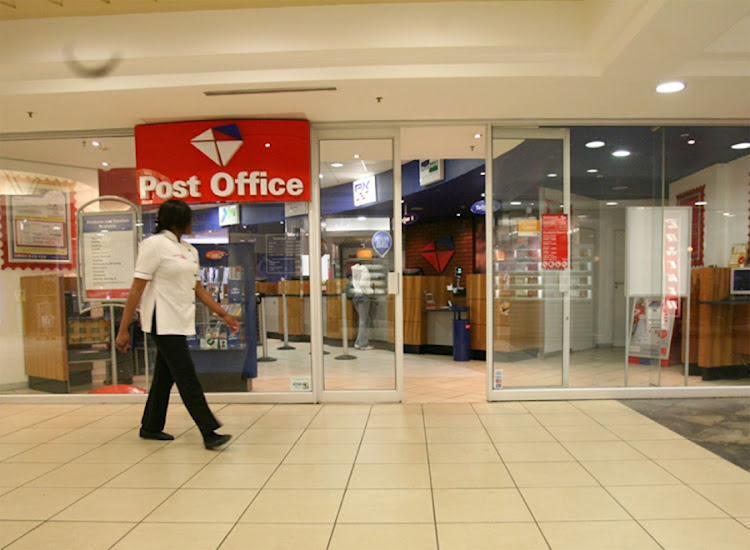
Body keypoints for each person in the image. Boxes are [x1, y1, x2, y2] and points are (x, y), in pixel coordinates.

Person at [115, 199, 239, 450]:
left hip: (180, 319)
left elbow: (198, 288)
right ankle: (209, 430)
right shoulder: (154, 245)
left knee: (164, 377)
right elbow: (137, 288)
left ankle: (150, 426)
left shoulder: (189, 250)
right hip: (161, 320)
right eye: (189, 218)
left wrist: (223, 313)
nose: (193, 222)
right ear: (178, 220)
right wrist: (123, 328)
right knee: (186, 376)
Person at [350, 263, 374, 350]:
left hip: (356, 296)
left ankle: (358, 342)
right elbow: (364, 284)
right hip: (363, 296)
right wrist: (370, 289)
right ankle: (363, 344)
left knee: (365, 319)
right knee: (364, 320)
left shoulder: (355, 271)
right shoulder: (365, 271)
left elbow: (354, 283)